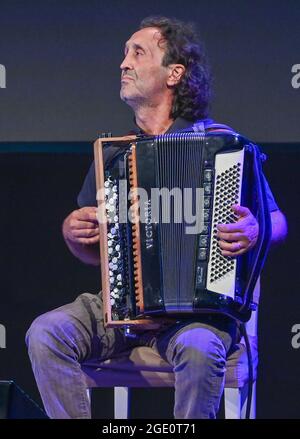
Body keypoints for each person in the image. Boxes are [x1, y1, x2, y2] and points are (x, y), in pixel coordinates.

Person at [26, 16, 287, 419]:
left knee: (201, 349)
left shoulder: (220, 145)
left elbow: (277, 221)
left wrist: (254, 229)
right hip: (121, 311)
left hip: (193, 317)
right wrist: (74, 234)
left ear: (174, 73)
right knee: (46, 333)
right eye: (124, 53)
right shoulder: (114, 155)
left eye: (138, 52)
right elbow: (96, 254)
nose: (123, 63)